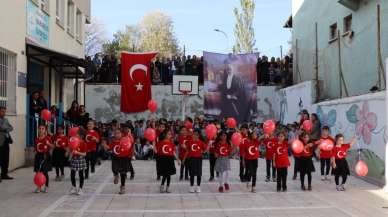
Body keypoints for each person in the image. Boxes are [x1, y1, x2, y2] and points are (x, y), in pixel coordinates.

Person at [102, 129, 130, 194]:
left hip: (124, 158)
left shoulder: (124, 140)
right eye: (115, 133)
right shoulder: (113, 142)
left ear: (121, 134)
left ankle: (122, 187)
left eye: (118, 133)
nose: (117, 135)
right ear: (114, 135)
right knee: (114, 169)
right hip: (115, 158)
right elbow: (108, 148)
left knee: (123, 173)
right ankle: (116, 175)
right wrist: (104, 145)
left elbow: (129, 146)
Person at [34, 125, 54, 193]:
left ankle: (46, 186)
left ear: (45, 130)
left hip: (45, 156)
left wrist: (48, 144)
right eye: (39, 129)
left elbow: (53, 146)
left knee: (45, 172)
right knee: (38, 172)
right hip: (38, 156)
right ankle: (39, 186)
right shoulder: (36, 139)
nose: (41, 130)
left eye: (42, 129)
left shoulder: (48, 138)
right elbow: (35, 148)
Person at [0, 106, 14, 181]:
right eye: (2, 111)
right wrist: (5, 128)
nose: (4, 113)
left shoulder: (6, 119)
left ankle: (4, 174)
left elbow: (11, 128)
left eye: (4, 111)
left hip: (6, 140)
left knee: (6, 158)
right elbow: (1, 127)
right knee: (0, 158)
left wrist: (5, 128)